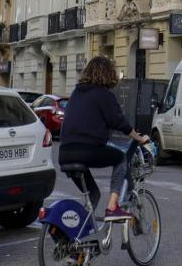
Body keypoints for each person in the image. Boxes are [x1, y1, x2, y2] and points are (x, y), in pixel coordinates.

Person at [59, 56, 151, 221]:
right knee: (120, 158)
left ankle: (80, 235)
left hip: (65, 153)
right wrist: (139, 138)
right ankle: (112, 207)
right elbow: (119, 121)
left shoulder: (76, 92)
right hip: (86, 151)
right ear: (108, 74)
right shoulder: (103, 95)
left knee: (93, 194)